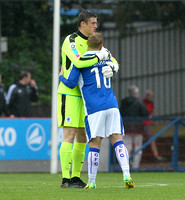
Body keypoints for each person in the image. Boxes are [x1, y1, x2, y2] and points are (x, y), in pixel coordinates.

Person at [59, 32, 134, 189]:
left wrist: (61, 76)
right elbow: (115, 64)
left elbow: (71, 83)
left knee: (94, 143)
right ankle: (127, 174)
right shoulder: (106, 58)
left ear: (87, 45)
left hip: (94, 108)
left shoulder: (81, 61)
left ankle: (92, 182)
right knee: (118, 140)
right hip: (112, 105)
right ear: (101, 45)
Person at [58, 10, 119, 188]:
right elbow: (78, 62)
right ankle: (65, 179)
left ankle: (76, 177)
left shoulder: (96, 43)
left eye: (96, 23)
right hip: (69, 93)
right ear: (82, 23)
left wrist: (113, 68)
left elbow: (114, 61)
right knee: (69, 134)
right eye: (92, 23)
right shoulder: (71, 41)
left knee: (83, 136)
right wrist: (101, 57)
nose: (95, 26)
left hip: (86, 96)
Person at [120, 85, 149, 169]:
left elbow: (120, 113)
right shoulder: (139, 102)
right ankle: (135, 166)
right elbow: (145, 113)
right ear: (136, 93)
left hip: (126, 127)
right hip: (138, 128)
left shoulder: (123, 102)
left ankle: (125, 166)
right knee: (138, 148)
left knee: (127, 147)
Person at [142, 90, 165, 162]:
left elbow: (150, 114)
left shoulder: (151, 103)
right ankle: (133, 157)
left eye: (152, 96)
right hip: (141, 124)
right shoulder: (142, 102)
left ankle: (156, 155)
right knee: (141, 141)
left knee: (151, 139)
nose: (151, 97)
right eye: (149, 95)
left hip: (148, 124)